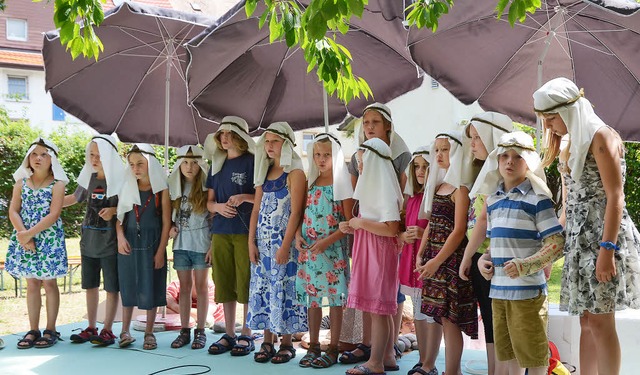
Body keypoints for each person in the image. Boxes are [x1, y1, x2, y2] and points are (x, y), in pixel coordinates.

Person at [533, 77, 640, 375]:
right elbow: (570, 206)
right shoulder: (570, 142)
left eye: (551, 118)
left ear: (568, 110)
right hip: (580, 242)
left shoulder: (600, 137)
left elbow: (615, 197)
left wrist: (607, 250)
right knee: (585, 320)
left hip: (604, 237)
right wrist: (551, 247)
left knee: (602, 321)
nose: (548, 126)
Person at [474, 131, 565, 375]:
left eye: (517, 157)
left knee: (534, 358)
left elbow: (557, 242)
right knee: (507, 357)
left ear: (529, 162)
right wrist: (484, 260)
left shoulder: (538, 200)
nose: (509, 162)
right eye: (504, 156)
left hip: (528, 295)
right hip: (499, 292)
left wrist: (527, 265)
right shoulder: (492, 201)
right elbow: (495, 245)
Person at [341, 102, 411, 366]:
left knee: (381, 309)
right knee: (376, 308)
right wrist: (353, 224)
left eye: (362, 159)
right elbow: (366, 215)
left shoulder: (384, 187)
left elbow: (391, 227)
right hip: (368, 244)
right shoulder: (374, 186)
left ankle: (377, 362)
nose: (358, 163)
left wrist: (360, 225)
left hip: (379, 249)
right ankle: (387, 358)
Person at [416, 131, 477, 375]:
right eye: (437, 149)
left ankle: (453, 371)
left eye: (445, 149)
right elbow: (432, 223)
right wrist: (421, 254)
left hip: (450, 260)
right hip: (434, 259)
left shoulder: (460, 188)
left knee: (451, 320)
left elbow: (459, 230)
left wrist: (436, 260)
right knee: (442, 318)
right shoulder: (440, 185)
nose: (439, 154)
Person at [247, 122, 308, 364]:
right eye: (267, 141)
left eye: (274, 141)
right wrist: (251, 242)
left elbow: (296, 212)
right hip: (262, 244)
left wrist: (284, 246)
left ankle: (286, 342)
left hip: (284, 244)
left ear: (286, 143)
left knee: (284, 289)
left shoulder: (294, 173)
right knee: (263, 288)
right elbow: (256, 210)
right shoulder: (263, 173)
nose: (269, 146)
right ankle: (266, 340)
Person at [459, 112, 513, 375]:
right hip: (481, 255)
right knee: (490, 323)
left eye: (478, 138)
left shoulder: (505, 177)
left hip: (498, 257)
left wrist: (480, 255)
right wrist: (470, 256)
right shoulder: (482, 172)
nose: (473, 144)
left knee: (501, 323)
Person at [295, 133, 353, 368]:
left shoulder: (342, 185)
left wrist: (327, 241)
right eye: (317, 154)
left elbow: (349, 224)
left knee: (335, 299)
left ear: (336, 156)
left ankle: (334, 347)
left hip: (332, 251)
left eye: (327, 154)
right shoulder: (311, 183)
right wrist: (298, 235)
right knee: (313, 299)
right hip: (310, 252)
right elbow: (301, 214)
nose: (321, 159)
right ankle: (315, 344)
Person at [6, 138, 68, 349]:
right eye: (34, 154)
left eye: (44, 154)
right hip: (24, 236)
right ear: (28, 158)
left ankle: (50, 329)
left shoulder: (57, 185)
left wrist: (30, 234)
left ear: (53, 160)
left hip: (48, 238)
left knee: (49, 283)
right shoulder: (21, 183)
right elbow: (13, 210)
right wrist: (23, 235)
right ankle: (33, 329)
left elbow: (54, 214)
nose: (38, 158)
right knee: (32, 283)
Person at [64, 135, 124, 346]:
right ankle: (91, 327)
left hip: (110, 243)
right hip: (87, 242)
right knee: (90, 286)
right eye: (91, 154)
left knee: (111, 288)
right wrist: (49, 206)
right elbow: (73, 198)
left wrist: (115, 210)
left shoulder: (120, 179)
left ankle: (108, 330)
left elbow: (130, 204)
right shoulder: (88, 178)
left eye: (99, 155)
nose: (95, 159)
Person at [204, 116, 256, 356]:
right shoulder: (217, 163)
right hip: (221, 232)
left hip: (245, 232)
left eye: (228, 133)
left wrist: (244, 197)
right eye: (221, 134)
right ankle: (230, 333)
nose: (223, 138)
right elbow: (209, 203)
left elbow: (263, 196)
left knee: (245, 279)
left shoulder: (252, 162)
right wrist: (218, 208)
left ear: (240, 136)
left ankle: (247, 332)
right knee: (223, 280)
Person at [116, 143, 171, 350]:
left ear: (151, 164)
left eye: (140, 163)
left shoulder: (161, 190)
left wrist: (160, 251)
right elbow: (119, 219)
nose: (135, 168)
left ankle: (149, 332)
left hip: (152, 242)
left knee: (152, 285)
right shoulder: (128, 186)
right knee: (128, 285)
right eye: (131, 164)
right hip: (129, 241)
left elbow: (166, 222)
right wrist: (120, 237)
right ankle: (125, 330)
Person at [398, 145, 441, 375]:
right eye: (417, 167)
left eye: (426, 167)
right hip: (412, 259)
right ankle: (423, 359)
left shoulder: (435, 197)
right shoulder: (413, 199)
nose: (421, 171)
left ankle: (430, 363)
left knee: (431, 314)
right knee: (417, 312)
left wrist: (422, 235)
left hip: (430, 261)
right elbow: (403, 230)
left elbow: (443, 231)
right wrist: (405, 235)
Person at [167, 145, 212, 349]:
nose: (189, 167)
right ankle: (184, 330)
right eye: (185, 162)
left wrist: (212, 245)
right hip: (181, 244)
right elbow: (168, 216)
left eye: (194, 162)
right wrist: (169, 227)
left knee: (201, 288)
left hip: (201, 243)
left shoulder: (206, 188)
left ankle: (200, 330)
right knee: (184, 288)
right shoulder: (174, 187)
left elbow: (213, 218)